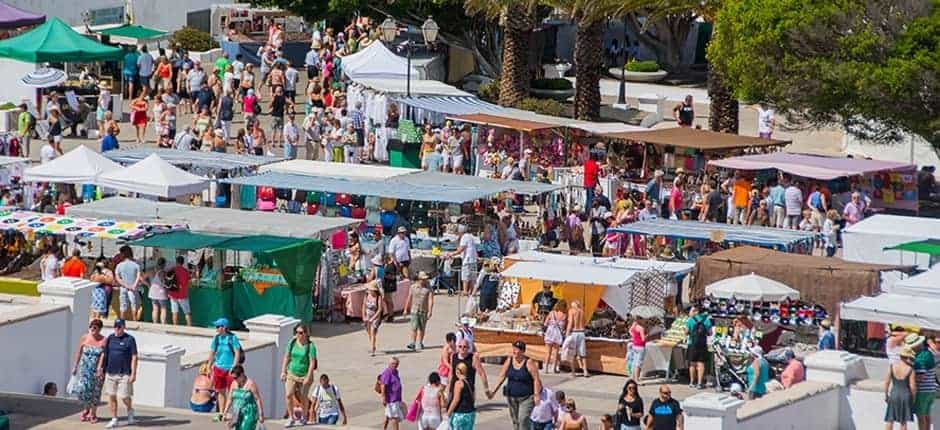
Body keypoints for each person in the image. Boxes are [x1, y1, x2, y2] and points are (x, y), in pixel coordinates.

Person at [487, 340, 542, 430]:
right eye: (514, 349)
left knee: (523, 419)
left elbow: (536, 379)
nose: (515, 351)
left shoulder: (529, 362)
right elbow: (502, 376)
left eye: (517, 349)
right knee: (515, 421)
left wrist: (536, 395)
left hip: (526, 398)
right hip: (511, 397)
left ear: (523, 351)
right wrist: (493, 391)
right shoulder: (509, 360)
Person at [98, 319, 138, 429]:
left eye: (119, 327)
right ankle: (114, 419)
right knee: (111, 396)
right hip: (110, 372)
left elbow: (134, 357)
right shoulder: (110, 338)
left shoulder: (130, 339)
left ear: (123, 327)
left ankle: (130, 409)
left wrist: (133, 373)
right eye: (115, 326)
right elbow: (104, 354)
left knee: (124, 396)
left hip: (124, 373)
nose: (117, 329)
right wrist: (100, 367)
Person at [280, 323, 317, 427]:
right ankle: (291, 417)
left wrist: (308, 376)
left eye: (300, 333)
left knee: (303, 397)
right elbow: (286, 357)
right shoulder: (292, 343)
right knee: (288, 394)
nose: (298, 335)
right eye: (296, 332)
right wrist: (283, 371)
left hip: (304, 374)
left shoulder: (310, 346)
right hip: (292, 372)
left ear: (305, 334)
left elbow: (312, 362)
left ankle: (304, 417)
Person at [70, 319, 106, 423]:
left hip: (96, 370)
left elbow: (103, 355)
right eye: (91, 327)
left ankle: (93, 413)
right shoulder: (84, 337)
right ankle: (86, 410)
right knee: (84, 391)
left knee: (95, 392)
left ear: (99, 329)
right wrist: (75, 366)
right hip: (85, 369)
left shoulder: (104, 340)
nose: (93, 329)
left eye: (95, 328)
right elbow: (79, 352)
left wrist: (100, 367)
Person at [208, 317, 242, 422]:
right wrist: (209, 365)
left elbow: (237, 352)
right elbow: (212, 352)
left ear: (224, 327)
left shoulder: (233, 338)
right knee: (221, 392)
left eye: (218, 326)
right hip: (218, 368)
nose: (216, 328)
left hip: (230, 369)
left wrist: (234, 367)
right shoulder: (216, 339)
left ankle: (235, 414)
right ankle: (222, 413)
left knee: (233, 393)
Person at [885, 346, 917, 429]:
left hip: (894, 393)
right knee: (903, 421)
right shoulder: (910, 369)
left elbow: (887, 382)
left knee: (890, 419)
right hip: (905, 394)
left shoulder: (892, 366)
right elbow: (912, 386)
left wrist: (886, 395)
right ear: (907, 357)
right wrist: (913, 398)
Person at [223, 365, 264, 430]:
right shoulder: (234, 384)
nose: (234, 379)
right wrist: (225, 411)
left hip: (249, 413)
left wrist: (261, 414)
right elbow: (230, 399)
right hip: (236, 412)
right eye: (233, 378)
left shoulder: (251, 384)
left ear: (242, 375)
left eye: (236, 377)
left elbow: (257, 399)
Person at [908, 334, 935, 430]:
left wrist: (909, 377)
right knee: (926, 415)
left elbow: (920, 377)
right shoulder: (928, 353)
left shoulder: (920, 358)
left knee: (920, 417)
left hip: (922, 391)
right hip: (931, 390)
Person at [404, 271, 434, 351]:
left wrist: (430, 311)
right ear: (419, 279)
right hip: (414, 310)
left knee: (422, 328)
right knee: (414, 327)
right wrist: (405, 309)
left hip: (423, 310)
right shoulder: (413, 287)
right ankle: (413, 343)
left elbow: (430, 300)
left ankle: (420, 342)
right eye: (423, 279)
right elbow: (409, 297)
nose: (424, 281)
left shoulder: (428, 288)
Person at [686, 304, 712, 389]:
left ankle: (692, 382)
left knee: (692, 363)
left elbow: (686, 332)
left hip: (692, 343)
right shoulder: (707, 320)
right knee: (701, 363)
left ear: (696, 311)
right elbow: (710, 333)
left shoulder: (690, 320)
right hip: (702, 344)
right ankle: (700, 383)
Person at [448, 224, 478, 296]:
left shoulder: (464, 237)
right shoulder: (469, 236)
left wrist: (452, 254)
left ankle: (465, 291)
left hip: (467, 259)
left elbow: (461, 249)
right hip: (473, 258)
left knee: (465, 276)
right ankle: (472, 291)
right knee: (472, 276)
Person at [447, 362, 476, 430]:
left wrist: (448, 413)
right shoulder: (471, 382)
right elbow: (473, 398)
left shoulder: (458, 383)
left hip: (460, 413)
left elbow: (456, 400)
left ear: (457, 371)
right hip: (470, 413)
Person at [115, 247, 142, 321]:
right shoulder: (136, 265)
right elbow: (138, 276)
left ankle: (122, 321)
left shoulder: (119, 265)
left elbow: (118, 278)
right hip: (133, 288)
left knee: (123, 306)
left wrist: (125, 285)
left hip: (123, 288)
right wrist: (133, 286)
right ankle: (135, 320)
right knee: (134, 305)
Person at [379, 357, 404, 430]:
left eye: (396, 364)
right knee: (394, 417)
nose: (395, 365)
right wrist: (383, 397)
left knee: (388, 415)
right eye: (393, 364)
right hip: (391, 399)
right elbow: (383, 385)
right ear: (389, 364)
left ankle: (384, 428)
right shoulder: (387, 373)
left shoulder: (396, 371)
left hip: (396, 398)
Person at [566, 300, 590, 378]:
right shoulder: (582, 312)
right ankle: (585, 371)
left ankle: (573, 372)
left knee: (572, 353)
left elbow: (570, 323)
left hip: (574, 332)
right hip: (582, 332)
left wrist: (567, 333)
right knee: (583, 354)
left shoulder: (571, 311)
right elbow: (585, 322)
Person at [362, 281, 386, 357]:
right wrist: (363, 316)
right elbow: (363, 305)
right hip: (368, 315)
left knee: (373, 332)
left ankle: (372, 348)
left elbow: (379, 309)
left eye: (369, 289)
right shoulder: (367, 295)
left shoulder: (379, 297)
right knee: (369, 331)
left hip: (375, 316)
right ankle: (373, 344)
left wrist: (373, 318)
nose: (368, 290)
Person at [543, 300, 567, 374]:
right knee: (556, 352)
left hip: (550, 332)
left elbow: (545, 323)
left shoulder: (551, 313)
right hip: (558, 334)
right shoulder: (564, 315)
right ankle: (554, 368)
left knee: (548, 352)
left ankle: (546, 368)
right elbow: (564, 327)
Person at [168, 256, 192, 326]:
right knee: (187, 312)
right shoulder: (185, 271)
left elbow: (168, 281)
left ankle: (175, 327)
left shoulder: (172, 270)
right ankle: (189, 327)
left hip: (173, 294)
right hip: (182, 294)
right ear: (183, 262)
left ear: (176, 261)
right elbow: (188, 282)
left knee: (174, 312)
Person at [145, 257, 169, 324]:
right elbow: (164, 283)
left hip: (152, 291)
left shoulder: (151, 270)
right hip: (161, 292)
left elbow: (142, 277)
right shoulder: (163, 272)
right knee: (163, 308)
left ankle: (155, 323)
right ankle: (163, 324)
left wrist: (148, 285)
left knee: (155, 309)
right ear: (164, 264)